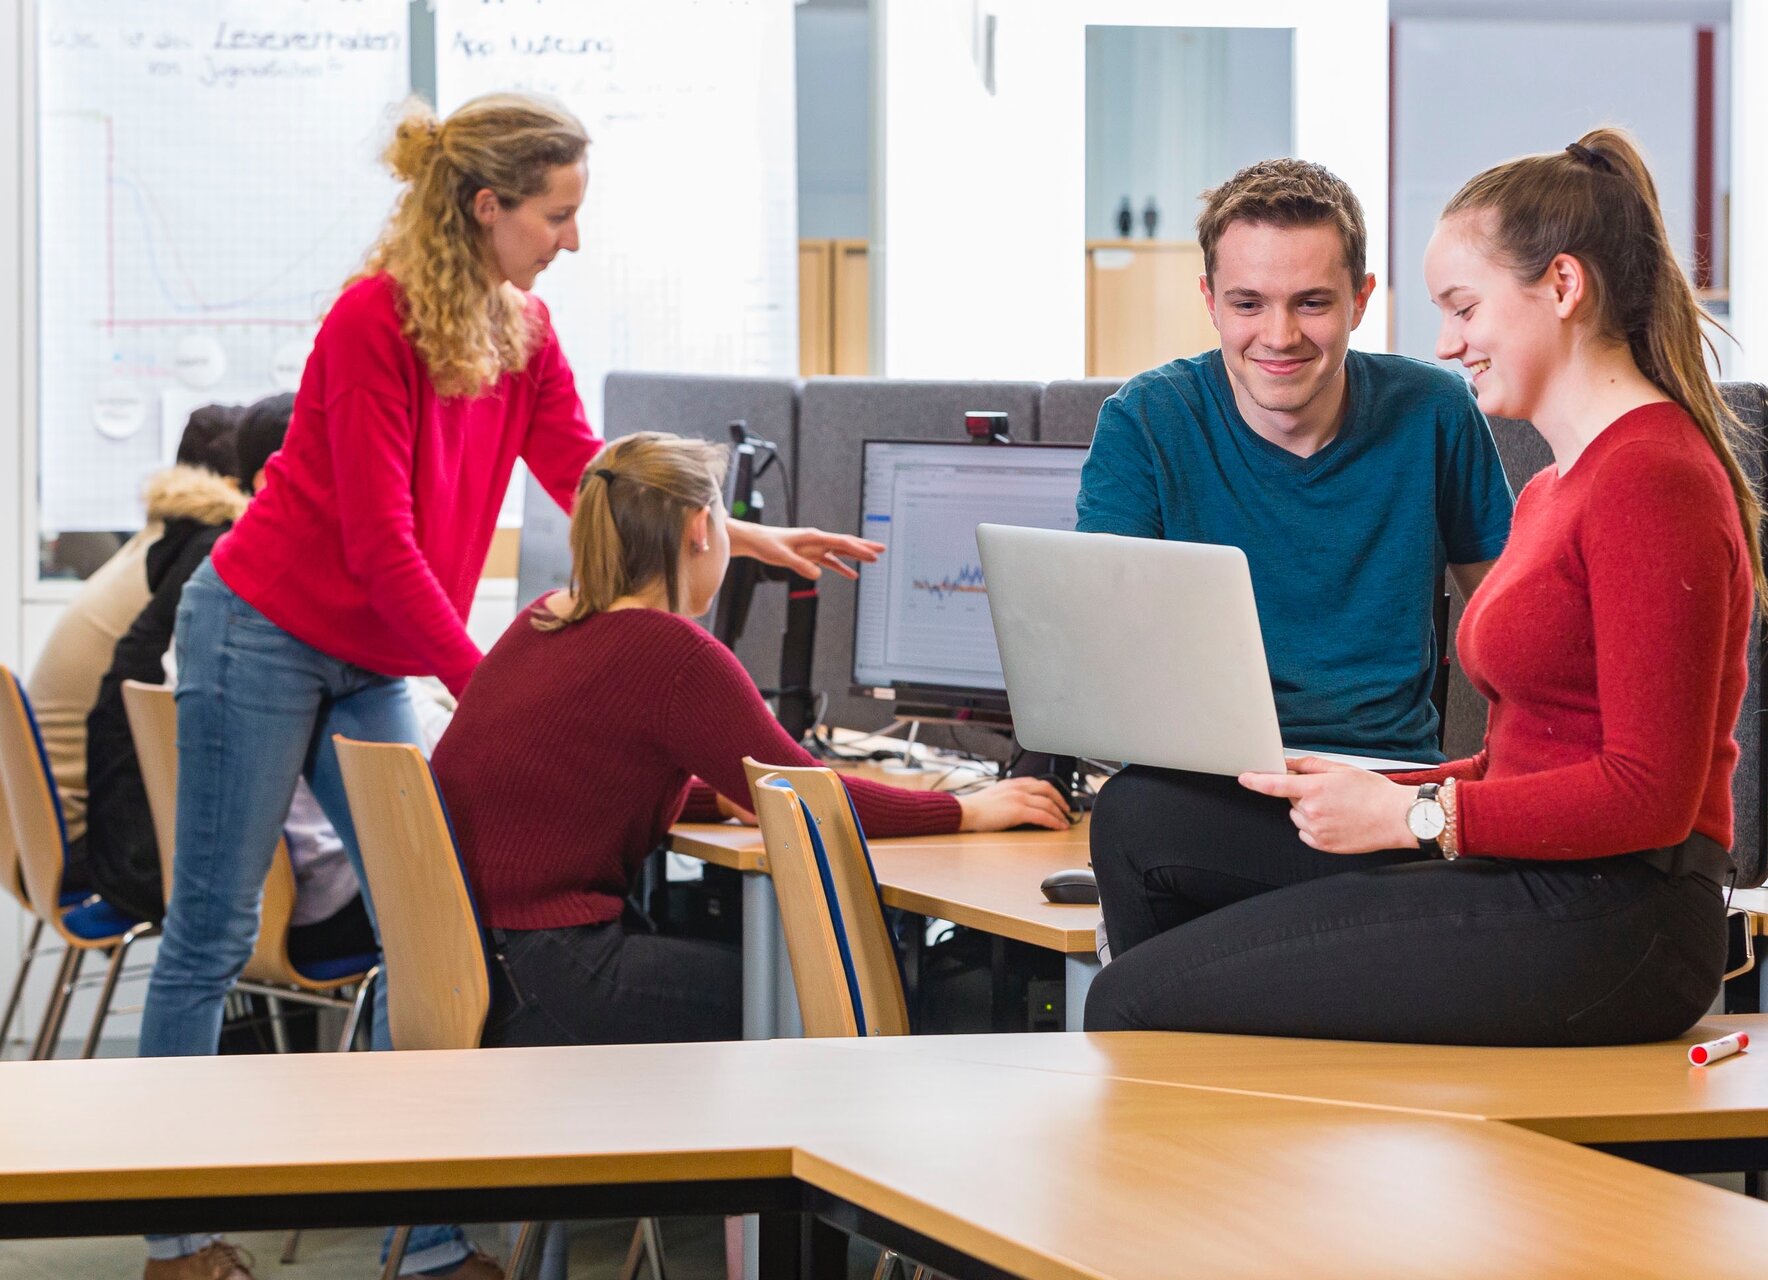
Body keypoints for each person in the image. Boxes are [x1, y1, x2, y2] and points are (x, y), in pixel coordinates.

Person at [136, 94, 882, 1280]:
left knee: (421, 927)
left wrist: (742, 531)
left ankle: (427, 1239)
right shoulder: (371, 322)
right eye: (557, 215)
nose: (570, 242)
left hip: (372, 646)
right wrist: (508, 691)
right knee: (212, 930)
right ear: (488, 206)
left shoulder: (522, 328)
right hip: (264, 627)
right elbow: (383, 543)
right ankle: (174, 1234)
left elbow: (590, 476)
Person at [1084, 128, 1765, 1048]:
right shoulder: (1558, 485)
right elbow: (1532, 756)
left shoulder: (1651, 476)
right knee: (1143, 820)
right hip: (1538, 874)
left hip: (1621, 909)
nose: (1446, 343)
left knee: (1129, 1001)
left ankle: (1245, 1151)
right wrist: (1392, 787)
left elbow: (1648, 796)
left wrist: (1412, 811)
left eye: (1463, 307)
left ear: (1562, 288)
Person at [432, 431, 1070, 1051]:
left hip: (479, 962)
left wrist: (724, 798)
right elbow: (814, 801)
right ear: (701, 531)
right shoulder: (672, 652)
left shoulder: (546, 617)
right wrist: (971, 808)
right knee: (854, 996)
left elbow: (571, 783)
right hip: (556, 973)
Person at [1077, 158, 1514, 768]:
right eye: (1248, 304)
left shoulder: (1434, 412)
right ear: (1210, 301)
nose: (1279, 336)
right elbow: (1101, 645)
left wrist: (1510, 783)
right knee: (1132, 818)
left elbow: (1514, 635)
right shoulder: (1146, 421)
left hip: (1382, 776)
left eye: (1311, 303)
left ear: (1360, 300)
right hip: (1204, 775)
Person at [85, 395, 372, 964]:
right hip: (180, 870)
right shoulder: (235, 575)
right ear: (268, 478)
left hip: (143, 849)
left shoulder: (189, 558)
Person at [24, 404, 244, 898]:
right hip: (90, 838)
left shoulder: (156, 542)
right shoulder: (208, 553)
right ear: (242, 480)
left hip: (45, 830)